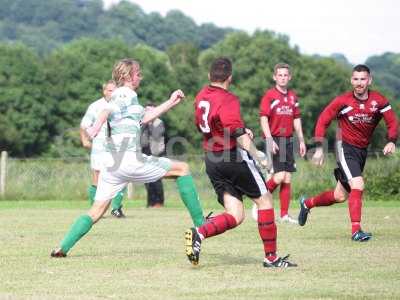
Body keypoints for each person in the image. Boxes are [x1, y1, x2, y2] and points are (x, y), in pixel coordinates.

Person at [51, 58, 205, 257]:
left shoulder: (129, 101)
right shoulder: (125, 93)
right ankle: (202, 225)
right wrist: (96, 127)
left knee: (96, 211)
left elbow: (144, 117)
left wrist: (170, 101)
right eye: (138, 73)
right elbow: (107, 109)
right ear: (127, 76)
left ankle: (62, 248)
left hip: (112, 165)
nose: (140, 76)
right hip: (129, 160)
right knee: (182, 168)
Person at [185, 57, 297, 268]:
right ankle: (271, 258)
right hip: (232, 157)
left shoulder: (201, 96)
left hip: (212, 159)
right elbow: (237, 133)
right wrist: (258, 155)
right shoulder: (228, 99)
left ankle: (199, 233)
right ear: (230, 78)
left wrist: (240, 132)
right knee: (264, 201)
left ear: (210, 76)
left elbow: (207, 126)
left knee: (235, 215)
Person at [298, 64, 398, 242]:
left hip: (361, 152)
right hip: (345, 148)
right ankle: (356, 231)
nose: (359, 83)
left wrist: (391, 140)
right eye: (356, 79)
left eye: (363, 79)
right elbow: (322, 120)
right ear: (351, 80)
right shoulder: (342, 101)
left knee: (339, 196)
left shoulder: (379, 101)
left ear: (369, 80)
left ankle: (307, 203)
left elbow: (392, 122)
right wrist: (320, 147)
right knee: (358, 184)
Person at [258, 63, 306, 224]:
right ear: (275, 77)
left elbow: (297, 119)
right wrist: (269, 139)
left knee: (287, 178)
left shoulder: (293, 97)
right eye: (280, 75)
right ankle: (259, 201)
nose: (283, 78)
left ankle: (284, 215)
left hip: (288, 140)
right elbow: (263, 118)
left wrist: (301, 140)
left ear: (289, 77)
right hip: (274, 139)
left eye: (286, 75)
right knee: (278, 177)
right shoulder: (269, 96)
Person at [80, 80, 126, 218]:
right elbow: (84, 124)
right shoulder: (95, 106)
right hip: (100, 147)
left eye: (115, 90)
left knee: (122, 175)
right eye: (110, 90)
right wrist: (85, 139)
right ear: (104, 91)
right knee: (97, 178)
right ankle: (94, 210)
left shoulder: (121, 105)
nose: (112, 93)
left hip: (117, 146)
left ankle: (116, 208)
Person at [141, 103, 166, 208]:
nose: (148, 113)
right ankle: (150, 203)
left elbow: (156, 135)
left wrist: (150, 123)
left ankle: (159, 202)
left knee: (156, 179)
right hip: (145, 152)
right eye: (147, 111)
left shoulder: (159, 123)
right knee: (146, 179)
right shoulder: (144, 123)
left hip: (157, 153)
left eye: (151, 111)